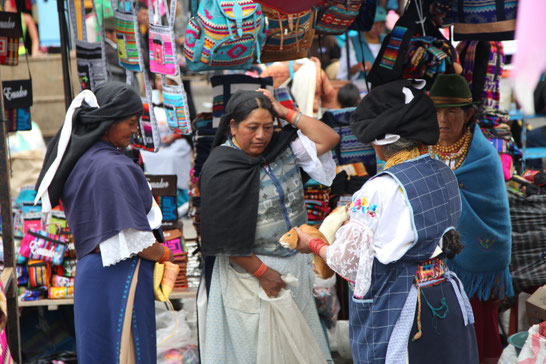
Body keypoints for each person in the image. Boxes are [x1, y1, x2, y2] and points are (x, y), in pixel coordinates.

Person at [295, 79, 479, 363]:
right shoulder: (444, 171)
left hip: (401, 304)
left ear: (380, 143)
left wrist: (315, 243)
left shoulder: (379, 189)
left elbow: (348, 260)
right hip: (444, 293)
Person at [34, 81, 173, 363]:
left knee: (101, 353)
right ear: (108, 122)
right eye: (132, 122)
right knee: (122, 353)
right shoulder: (110, 167)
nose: (136, 129)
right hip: (118, 278)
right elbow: (134, 240)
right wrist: (163, 252)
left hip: (97, 275)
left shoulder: (87, 159)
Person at [198, 89, 340, 363]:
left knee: (297, 348)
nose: (261, 136)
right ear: (233, 126)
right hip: (249, 276)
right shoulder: (221, 167)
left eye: (268, 126)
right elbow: (222, 238)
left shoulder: (282, 148)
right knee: (256, 352)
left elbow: (329, 137)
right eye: (252, 128)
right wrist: (263, 273)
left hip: (292, 270)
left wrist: (285, 112)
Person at [428, 74, 513, 364]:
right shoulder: (422, 152)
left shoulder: (484, 157)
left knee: (478, 330)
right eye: (437, 111)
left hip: (476, 264)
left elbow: (495, 217)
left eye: (451, 111)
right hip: (431, 265)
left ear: (468, 114)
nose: (443, 119)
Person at [337, 6, 387, 86]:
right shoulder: (353, 41)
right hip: (361, 86)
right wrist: (358, 66)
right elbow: (345, 71)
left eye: (381, 25)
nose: (377, 28)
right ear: (366, 23)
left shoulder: (386, 40)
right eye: (374, 24)